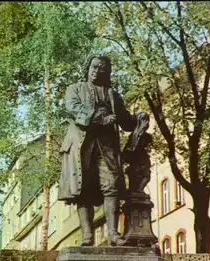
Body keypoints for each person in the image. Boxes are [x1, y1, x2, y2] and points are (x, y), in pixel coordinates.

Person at [58, 54, 149, 246]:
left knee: (112, 187)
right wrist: (100, 118)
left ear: (106, 72)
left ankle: (114, 234)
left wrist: (138, 118)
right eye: (94, 66)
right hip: (81, 147)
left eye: (101, 68)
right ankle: (87, 235)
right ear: (87, 67)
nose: (96, 70)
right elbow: (73, 108)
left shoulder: (113, 95)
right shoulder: (74, 89)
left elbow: (124, 119)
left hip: (106, 147)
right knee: (82, 190)